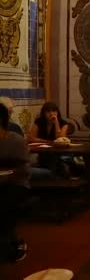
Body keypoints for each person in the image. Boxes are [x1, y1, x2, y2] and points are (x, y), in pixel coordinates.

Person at [0, 104, 30, 262]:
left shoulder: (15, 141)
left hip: (16, 184)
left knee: (4, 202)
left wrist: (6, 175)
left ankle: (14, 242)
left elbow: (24, 171)